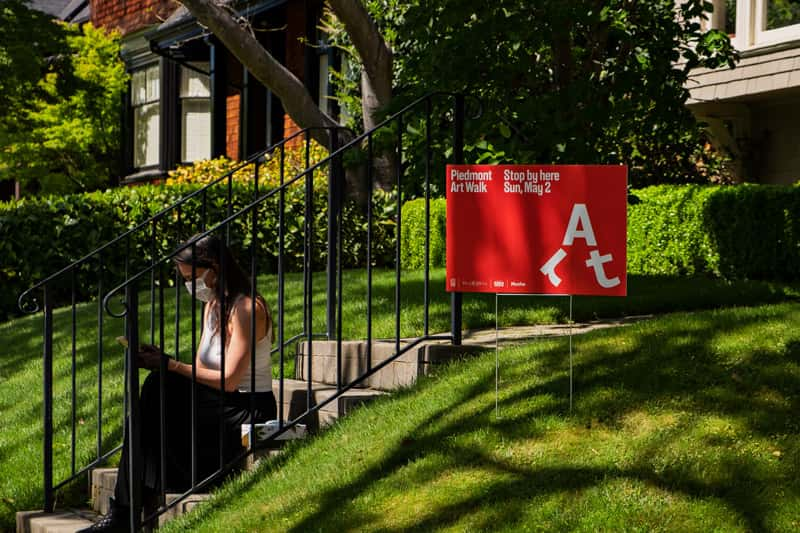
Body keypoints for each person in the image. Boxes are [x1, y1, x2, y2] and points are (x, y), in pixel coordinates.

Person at [80, 234, 277, 532]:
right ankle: (125, 510)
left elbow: (231, 380)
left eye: (192, 276)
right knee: (158, 387)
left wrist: (170, 365)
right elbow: (200, 369)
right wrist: (165, 361)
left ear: (214, 267)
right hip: (220, 401)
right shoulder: (212, 306)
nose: (189, 284)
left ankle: (123, 513)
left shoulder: (246, 308)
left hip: (248, 407)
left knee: (159, 385)